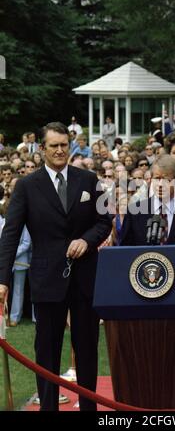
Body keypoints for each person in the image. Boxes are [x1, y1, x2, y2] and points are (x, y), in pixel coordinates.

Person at [0, 122, 112, 411]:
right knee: (47, 352)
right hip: (47, 279)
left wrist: (86, 241)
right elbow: (10, 235)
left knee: (87, 351)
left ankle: (90, 409)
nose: (60, 150)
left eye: (64, 145)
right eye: (54, 146)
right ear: (42, 149)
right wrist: (3, 280)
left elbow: (104, 222)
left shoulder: (88, 180)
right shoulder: (26, 186)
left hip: (86, 278)